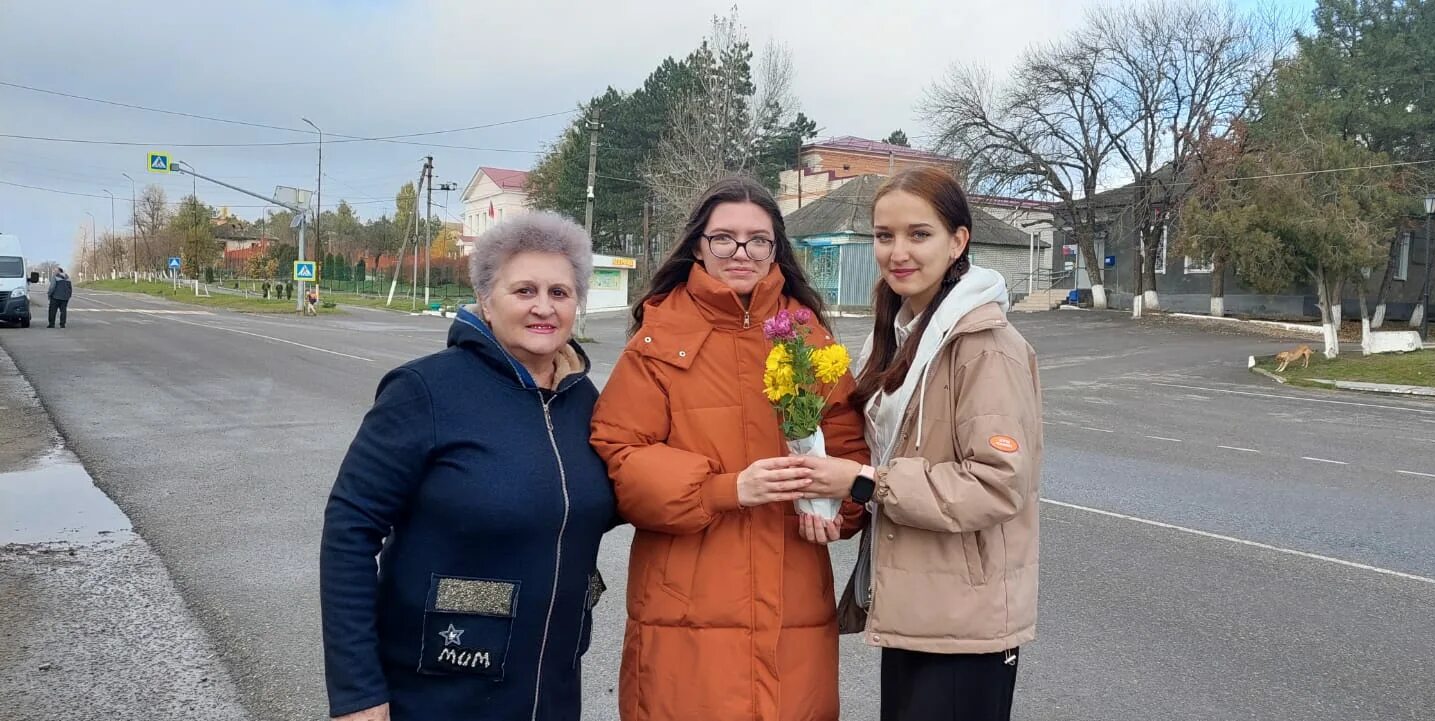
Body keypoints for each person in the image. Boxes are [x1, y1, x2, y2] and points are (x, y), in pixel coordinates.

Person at [590, 175, 870, 721]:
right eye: (724, 238)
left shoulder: (809, 339)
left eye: (757, 239)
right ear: (699, 244)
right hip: (687, 601)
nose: (741, 252)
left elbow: (851, 450)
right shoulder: (658, 338)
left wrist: (838, 506)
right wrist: (726, 488)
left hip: (794, 595)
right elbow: (620, 457)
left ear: (775, 249)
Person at [320, 212, 617, 721]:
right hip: (439, 686)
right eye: (524, 290)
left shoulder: (584, 401)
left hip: (550, 686)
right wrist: (358, 692)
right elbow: (349, 531)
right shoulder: (425, 391)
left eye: (560, 293)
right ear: (485, 299)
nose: (543, 307)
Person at [795, 167, 1043, 721]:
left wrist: (865, 483)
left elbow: (997, 484)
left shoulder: (985, 346)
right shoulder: (902, 335)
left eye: (919, 234)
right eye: (885, 236)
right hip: (918, 607)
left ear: (959, 241)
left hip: (966, 620)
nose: (898, 251)